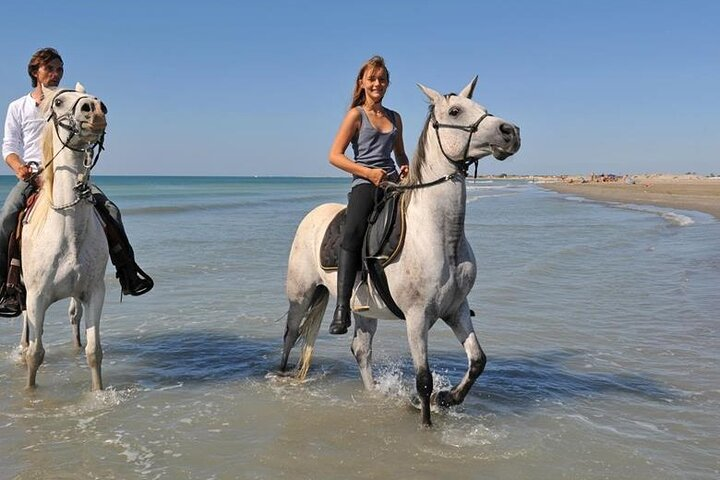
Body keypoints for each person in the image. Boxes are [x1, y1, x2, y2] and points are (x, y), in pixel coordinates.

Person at [0, 47, 153, 316]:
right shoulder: (18, 107)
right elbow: (9, 147)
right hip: (35, 174)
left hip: (69, 174)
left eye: (60, 69)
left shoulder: (69, 101)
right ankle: (7, 285)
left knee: (111, 211)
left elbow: (85, 131)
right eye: (50, 69)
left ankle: (128, 272)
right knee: (6, 216)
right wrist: (19, 167)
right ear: (35, 72)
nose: (56, 74)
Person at [327, 55, 409, 335]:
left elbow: (399, 154)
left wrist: (405, 166)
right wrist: (367, 173)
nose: (377, 83)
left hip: (392, 183)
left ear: (388, 84)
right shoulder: (355, 115)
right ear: (362, 83)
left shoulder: (395, 117)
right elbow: (334, 156)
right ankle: (341, 308)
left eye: (382, 79)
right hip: (365, 184)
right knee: (352, 234)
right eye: (372, 79)